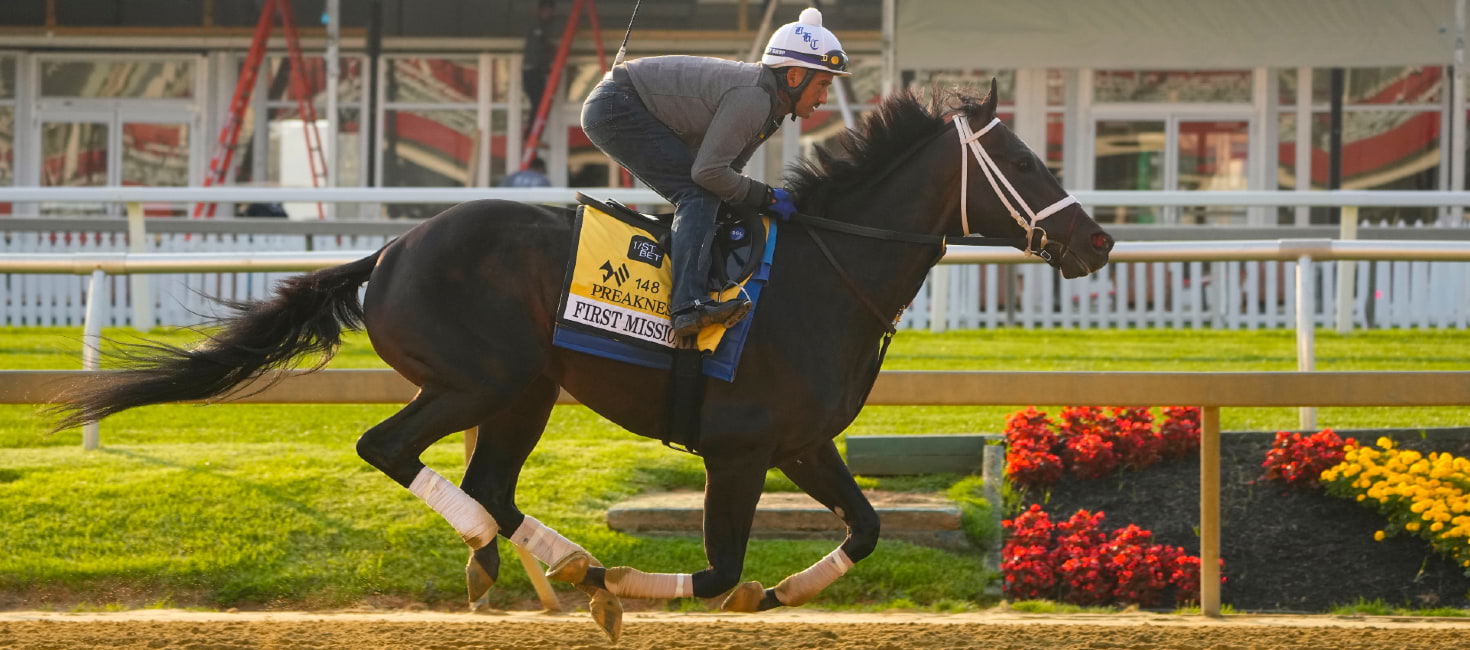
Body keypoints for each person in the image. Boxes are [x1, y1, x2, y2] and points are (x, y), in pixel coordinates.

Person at [580, 7, 849, 338]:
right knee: (698, 193)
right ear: (794, 77)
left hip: (620, 99)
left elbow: (729, 173)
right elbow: (708, 173)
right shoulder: (755, 98)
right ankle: (687, 307)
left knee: (711, 197)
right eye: (822, 84)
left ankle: (691, 284)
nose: (824, 98)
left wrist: (754, 198)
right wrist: (766, 196)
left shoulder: (771, 107)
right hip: (615, 105)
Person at [522, 0, 557, 136]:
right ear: (540, 11)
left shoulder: (544, 27)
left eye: (551, 10)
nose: (549, 13)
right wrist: (546, 61)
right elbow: (536, 50)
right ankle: (530, 132)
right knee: (537, 101)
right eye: (546, 10)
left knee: (540, 101)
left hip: (536, 71)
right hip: (532, 71)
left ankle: (532, 131)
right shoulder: (537, 28)